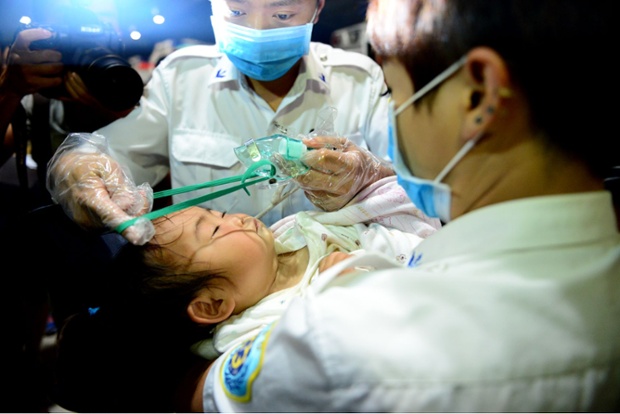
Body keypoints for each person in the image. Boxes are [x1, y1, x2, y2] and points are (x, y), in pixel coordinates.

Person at [174, 0, 618, 411]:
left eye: (394, 95)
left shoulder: (346, 333)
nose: (391, 118)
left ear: (478, 96)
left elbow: (202, 394)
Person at [45, 0, 394, 247]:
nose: (257, 29)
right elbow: (116, 155)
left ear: (317, 8)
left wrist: (366, 175)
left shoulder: (358, 80)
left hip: (326, 283)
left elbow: (407, 180)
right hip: (217, 292)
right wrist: (79, 167)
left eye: (283, 13)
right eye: (237, 11)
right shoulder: (182, 76)